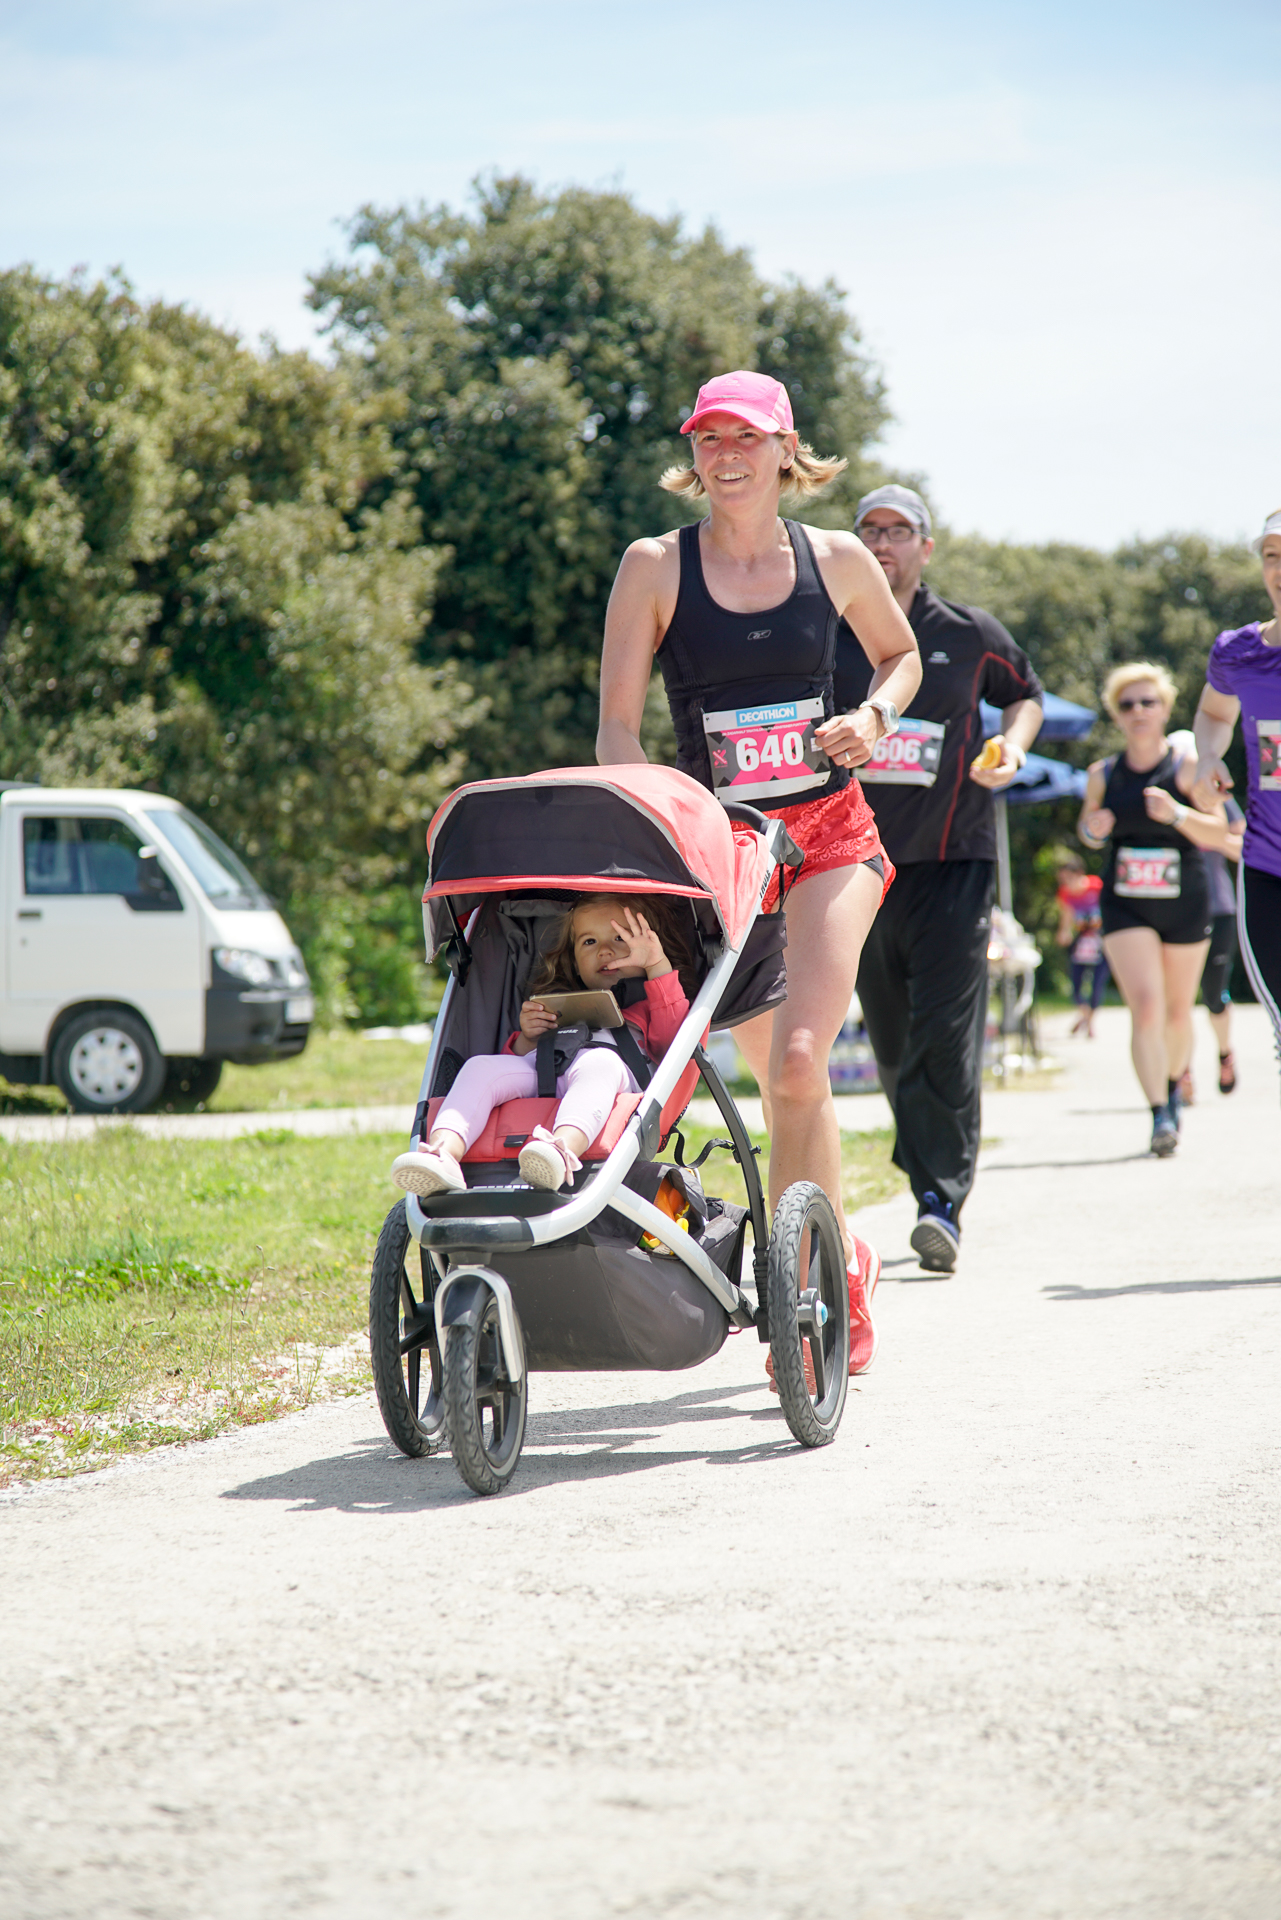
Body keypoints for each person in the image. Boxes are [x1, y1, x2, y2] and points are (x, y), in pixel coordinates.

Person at [597, 371, 922, 1376]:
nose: (726, 454)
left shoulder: (837, 558)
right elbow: (616, 729)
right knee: (781, 1078)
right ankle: (836, 1249)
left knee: (796, 1066)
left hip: (829, 839)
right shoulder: (654, 567)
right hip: (723, 858)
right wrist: (658, 816)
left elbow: (900, 657)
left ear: (788, 451)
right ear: (693, 456)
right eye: (709, 438)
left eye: (747, 437)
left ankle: (818, 1290)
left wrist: (871, 719)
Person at [835, 484, 1044, 1274]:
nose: (882, 543)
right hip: (854, 868)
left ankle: (939, 1202)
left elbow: (1022, 696)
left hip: (956, 865)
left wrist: (1013, 748)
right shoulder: (827, 631)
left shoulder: (965, 633)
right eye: (869, 530)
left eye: (898, 531)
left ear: (926, 547)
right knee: (890, 1041)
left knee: (945, 1038)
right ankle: (924, 1167)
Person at [390, 897, 692, 1196]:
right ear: (573, 959)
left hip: (611, 1083)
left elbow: (674, 1041)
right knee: (480, 1066)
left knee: (599, 1062)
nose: (604, 950)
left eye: (619, 937)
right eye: (589, 942)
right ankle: (443, 1153)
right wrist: (528, 1038)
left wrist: (656, 965)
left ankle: (559, 1151)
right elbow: (521, 1062)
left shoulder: (654, 1005)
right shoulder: (561, 1002)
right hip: (546, 1072)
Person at [1079, 664, 1224, 1156]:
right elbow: (1087, 829)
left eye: (1148, 703)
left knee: (1178, 1013)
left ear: (1165, 709)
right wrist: (1094, 829)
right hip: (1127, 903)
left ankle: (1175, 1078)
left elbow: (1222, 833)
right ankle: (1160, 1112)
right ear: (1115, 714)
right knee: (1146, 1007)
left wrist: (1178, 813)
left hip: (1185, 898)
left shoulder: (1185, 768)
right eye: (1127, 704)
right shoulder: (1102, 773)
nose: (1138, 712)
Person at [1191, 508, 1281, 1098]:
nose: (1280, 568)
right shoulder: (1239, 652)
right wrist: (1207, 758)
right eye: (1271, 555)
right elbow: (1213, 714)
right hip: (1269, 865)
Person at [1055, 853, 1109, 1038]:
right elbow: (1067, 915)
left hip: (1101, 942)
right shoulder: (1065, 893)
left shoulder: (1097, 887)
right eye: (1063, 878)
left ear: (1079, 873)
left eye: (1069, 877)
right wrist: (1064, 932)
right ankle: (1085, 1017)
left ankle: (1089, 1022)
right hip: (1081, 942)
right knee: (1076, 983)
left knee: (1097, 984)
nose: (1066, 882)